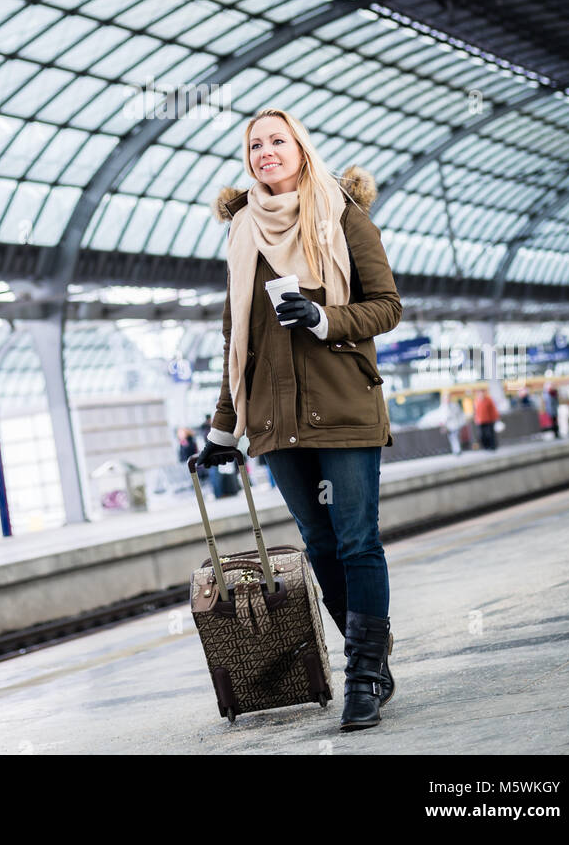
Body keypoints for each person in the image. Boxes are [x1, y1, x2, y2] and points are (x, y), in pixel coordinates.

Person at [196, 107, 402, 732]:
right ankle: (372, 661)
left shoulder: (343, 215)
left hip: (342, 404)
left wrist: (322, 320)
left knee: (357, 539)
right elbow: (238, 339)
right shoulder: (241, 233)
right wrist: (220, 431)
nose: (265, 153)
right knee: (318, 544)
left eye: (277, 141)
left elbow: (386, 306)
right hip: (275, 420)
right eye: (254, 145)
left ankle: (363, 673)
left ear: (301, 148)